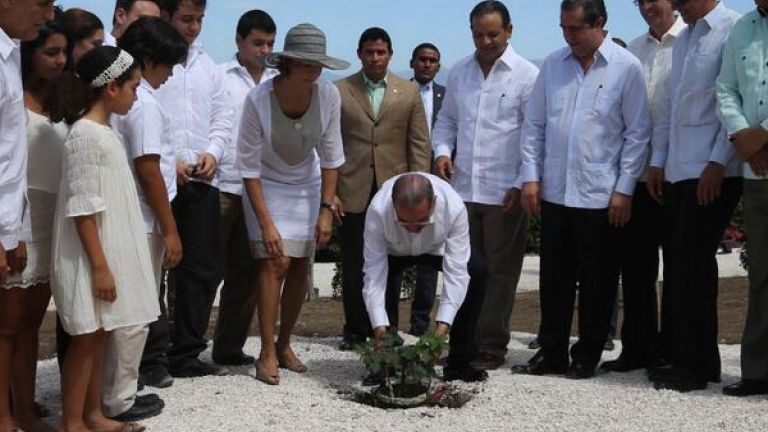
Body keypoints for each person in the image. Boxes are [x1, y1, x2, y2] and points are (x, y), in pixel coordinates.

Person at [515, 0, 650, 380]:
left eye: (575, 29)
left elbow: (637, 134)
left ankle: (587, 352)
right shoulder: (553, 65)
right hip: (556, 192)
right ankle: (552, 351)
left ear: (600, 24)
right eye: (563, 28)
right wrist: (530, 176)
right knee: (554, 279)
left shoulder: (626, 68)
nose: (568, 36)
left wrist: (624, 190)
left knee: (598, 280)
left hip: (601, 195)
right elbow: (534, 126)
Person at [44, 45, 158, 432]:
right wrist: (100, 267)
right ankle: (72, 422)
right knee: (86, 339)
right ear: (112, 87)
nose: (136, 94)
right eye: (133, 87)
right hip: (89, 259)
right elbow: (82, 208)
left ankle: (94, 415)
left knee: (101, 335)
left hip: (104, 255)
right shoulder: (85, 136)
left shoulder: (103, 132)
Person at [238, 23, 348, 385]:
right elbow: (249, 169)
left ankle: (285, 344)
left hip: (306, 184)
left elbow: (331, 158)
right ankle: (266, 349)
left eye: (318, 63)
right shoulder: (257, 99)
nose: (313, 70)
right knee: (275, 260)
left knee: (300, 261)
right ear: (286, 62)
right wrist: (267, 223)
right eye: (305, 62)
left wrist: (325, 209)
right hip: (265, 184)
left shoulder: (329, 96)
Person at [433, 0, 538, 370]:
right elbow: (446, 121)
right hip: (462, 190)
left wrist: (521, 180)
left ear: (509, 31)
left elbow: (533, 133)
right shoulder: (459, 72)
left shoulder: (527, 75)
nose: (486, 41)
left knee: (499, 271)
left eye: (493, 33)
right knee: (462, 269)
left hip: (503, 191)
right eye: (479, 34)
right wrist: (443, 151)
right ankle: (462, 345)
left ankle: (491, 346)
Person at [646, 0, 741, 393]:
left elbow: (730, 101)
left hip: (713, 169)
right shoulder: (685, 39)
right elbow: (670, 108)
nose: (677, 4)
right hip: (680, 170)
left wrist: (718, 162)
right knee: (681, 266)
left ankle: (697, 365)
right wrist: (658, 162)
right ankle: (687, 358)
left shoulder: (733, 28)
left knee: (695, 266)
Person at [105, 16, 188, 422]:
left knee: (127, 310)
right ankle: (120, 397)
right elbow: (149, 168)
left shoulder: (124, 100)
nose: (169, 76)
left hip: (127, 216)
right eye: (168, 66)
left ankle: (115, 390)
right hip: (142, 219)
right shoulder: (145, 105)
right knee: (135, 314)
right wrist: (170, 228)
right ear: (150, 60)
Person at [334, 27, 431, 350]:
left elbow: (418, 143)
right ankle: (354, 329)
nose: (375, 58)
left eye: (381, 52)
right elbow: (330, 144)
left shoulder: (408, 92)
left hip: (395, 193)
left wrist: (419, 190)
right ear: (359, 53)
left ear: (390, 54)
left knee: (390, 264)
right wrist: (329, 192)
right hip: (352, 189)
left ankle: (386, 328)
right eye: (369, 52)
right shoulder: (340, 90)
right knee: (353, 263)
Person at [601, 0, 684, 374]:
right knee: (636, 268)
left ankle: (675, 350)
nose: (650, 6)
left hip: (679, 172)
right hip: (636, 175)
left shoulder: (690, 42)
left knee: (682, 270)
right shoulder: (632, 51)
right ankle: (638, 348)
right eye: (642, 0)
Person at [157, 0, 233, 378]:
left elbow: (222, 117)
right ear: (167, 15)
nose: (195, 27)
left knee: (200, 267)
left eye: (200, 19)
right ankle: (151, 355)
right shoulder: (151, 60)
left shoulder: (209, 66)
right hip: (161, 179)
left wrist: (213, 152)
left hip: (203, 180)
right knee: (155, 267)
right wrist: (166, 161)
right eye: (187, 19)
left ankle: (186, 352)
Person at [363, 173, 488, 382]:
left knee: (475, 269)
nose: (413, 230)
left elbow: (457, 273)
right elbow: (373, 273)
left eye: (421, 221)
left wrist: (441, 331)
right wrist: (379, 329)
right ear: (393, 206)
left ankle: (460, 362)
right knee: (371, 281)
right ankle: (384, 361)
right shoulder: (377, 209)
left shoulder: (454, 207)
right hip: (394, 250)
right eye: (404, 221)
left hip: (436, 247)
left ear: (434, 204)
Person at [0, 3, 57, 431]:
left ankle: (19, 407)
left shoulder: (10, 55)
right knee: (5, 326)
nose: (46, 12)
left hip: (26, 217)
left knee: (22, 326)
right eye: (40, 3)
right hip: (9, 218)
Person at [212, 9, 278, 367]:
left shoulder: (277, 81)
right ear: (239, 40)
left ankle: (228, 347)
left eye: (269, 43)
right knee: (206, 270)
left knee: (247, 274)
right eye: (257, 42)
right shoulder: (219, 76)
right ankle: (183, 349)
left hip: (261, 190)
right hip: (222, 183)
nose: (264, 49)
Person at [716, 0, 768, 397]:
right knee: (761, 274)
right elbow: (726, 88)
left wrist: (761, 133)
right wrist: (744, 138)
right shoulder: (743, 28)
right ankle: (757, 371)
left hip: (758, 151)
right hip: (757, 170)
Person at [405, 42, 444, 337]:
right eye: (422, 59)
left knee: (430, 259)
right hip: (403, 181)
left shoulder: (448, 96)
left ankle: (420, 324)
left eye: (432, 60)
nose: (427, 64)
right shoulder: (401, 94)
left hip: (438, 181)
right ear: (412, 62)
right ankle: (386, 323)